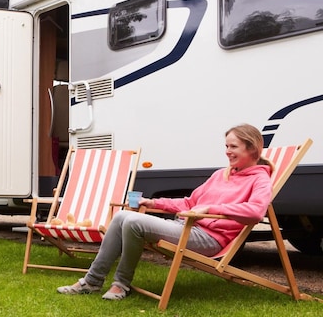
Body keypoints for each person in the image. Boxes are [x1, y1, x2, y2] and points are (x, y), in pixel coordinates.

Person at [57, 123, 273, 300]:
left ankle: (120, 284)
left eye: (233, 147)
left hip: (209, 239)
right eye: (226, 146)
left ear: (252, 148)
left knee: (134, 222)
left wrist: (210, 208)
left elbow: (255, 212)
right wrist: (153, 203)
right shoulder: (221, 175)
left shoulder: (260, 179)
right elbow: (189, 203)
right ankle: (93, 281)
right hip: (187, 227)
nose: (227, 152)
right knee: (123, 215)